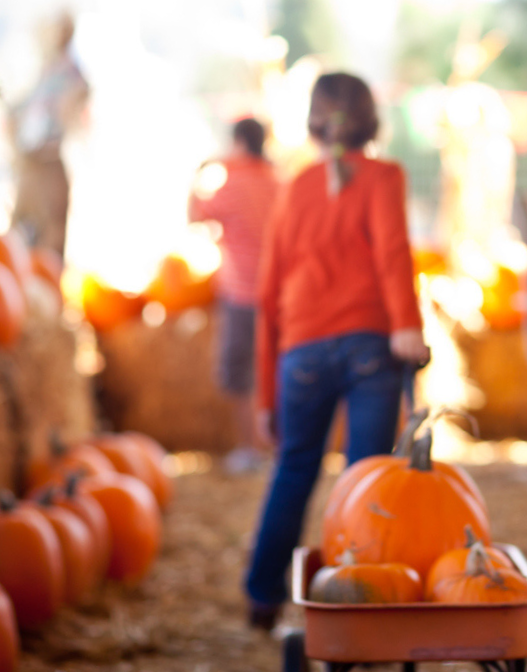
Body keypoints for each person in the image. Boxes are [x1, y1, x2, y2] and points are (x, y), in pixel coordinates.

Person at [245, 72, 429, 630]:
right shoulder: (384, 176)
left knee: (294, 468)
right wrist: (407, 326)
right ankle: (362, 605)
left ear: (316, 121)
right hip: (372, 345)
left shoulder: (293, 188)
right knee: (365, 479)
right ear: (370, 119)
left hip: (300, 350)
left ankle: (261, 596)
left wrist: (265, 392)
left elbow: (269, 291)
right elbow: (393, 253)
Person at [188, 117, 280, 472]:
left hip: (242, 294)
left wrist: (198, 174)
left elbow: (195, 217)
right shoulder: (277, 182)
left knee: (240, 373)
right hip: (276, 293)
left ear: (239, 143)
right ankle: (273, 446)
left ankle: (249, 449)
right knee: (271, 370)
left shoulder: (233, 185)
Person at [11, 13, 88, 256]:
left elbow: (78, 100)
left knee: (50, 240)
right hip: (30, 162)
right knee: (23, 234)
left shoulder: (71, 72)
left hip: (49, 160)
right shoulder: (45, 71)